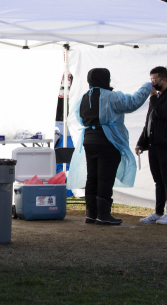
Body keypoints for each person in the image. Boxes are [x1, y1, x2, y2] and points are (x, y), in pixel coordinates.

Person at [67, 68, 150, 225]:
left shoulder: (83, 99)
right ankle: (103, 214)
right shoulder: (111, 97)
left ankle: (91, 214)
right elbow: (132, 103)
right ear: (106, 79)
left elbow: (79, 117)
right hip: (108, 141)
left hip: (89, 141)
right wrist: (147, 87)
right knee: (105, 177)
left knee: (92, 177)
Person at [136, 66, 167, 226]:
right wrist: (141, 142)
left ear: (164, 80)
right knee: (158, 180)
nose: (152, 83)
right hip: (154, 144)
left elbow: (162, 113)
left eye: (155, 80)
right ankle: (158, 212)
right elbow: (149, 121)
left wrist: (153, 98)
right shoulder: (156, 98)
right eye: (151, 80)